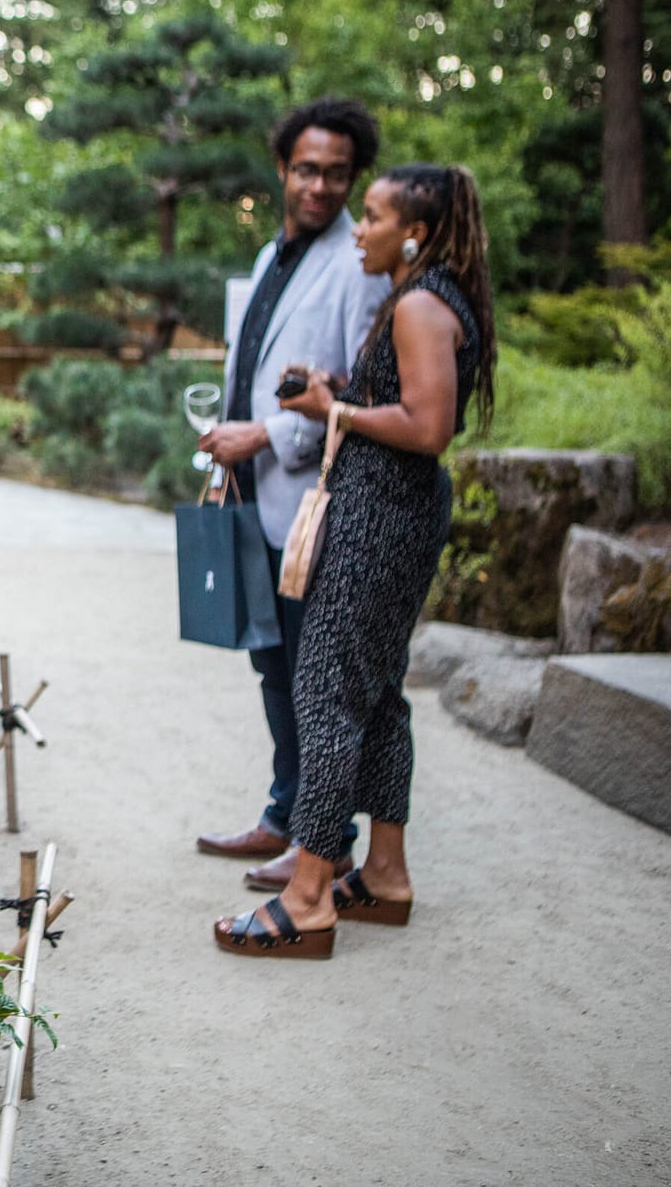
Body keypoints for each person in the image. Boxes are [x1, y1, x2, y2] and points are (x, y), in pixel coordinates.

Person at [214, 162, 497, 958]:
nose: (359, 231)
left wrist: (331, 408)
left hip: (380, 517)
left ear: (415, 232)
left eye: (371, 217)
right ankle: (386, 873)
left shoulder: (417, 304)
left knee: (327, 693)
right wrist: (345, 392)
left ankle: (307, 898)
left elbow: (430, 427)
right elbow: (411, 405)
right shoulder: (433, 299)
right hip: (394, 511)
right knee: (376, 698)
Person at [194, 98, 390, 891]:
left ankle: (325, 838)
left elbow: (347, 390)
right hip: (250, 489)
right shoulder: (275, 255)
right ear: (282, 168)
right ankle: (284, 813)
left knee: (315, 677)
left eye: (338, 174)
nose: (320, 186)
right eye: (307, 169)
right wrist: (230, 442)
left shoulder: (357, 265)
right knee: (271, 664)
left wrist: (266, 436)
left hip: (309, 500)